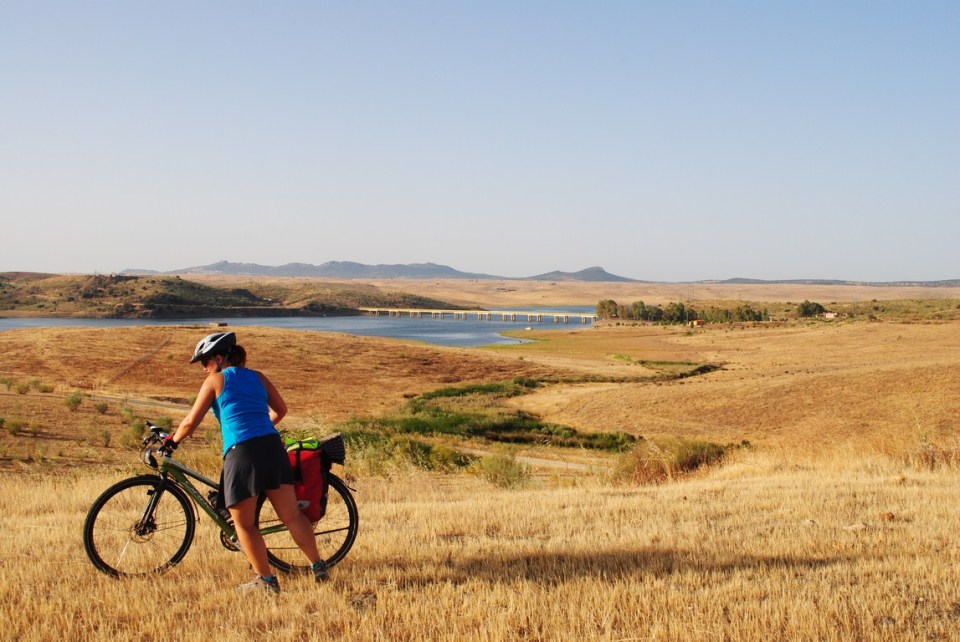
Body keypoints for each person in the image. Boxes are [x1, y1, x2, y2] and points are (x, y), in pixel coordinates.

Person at [162, 331, 328, 594]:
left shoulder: (215, 381)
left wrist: (172, 441)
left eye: (205, 362)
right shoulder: (258, 377)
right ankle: (318, 566)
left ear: (219, 358)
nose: (204, 368)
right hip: (272, 447)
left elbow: (190, 422)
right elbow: (281, 410)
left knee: (245, 524)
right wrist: (261, 428)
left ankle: (266, 581)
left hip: (242, 452)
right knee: (292, 515)